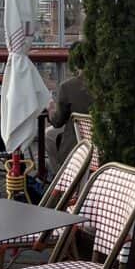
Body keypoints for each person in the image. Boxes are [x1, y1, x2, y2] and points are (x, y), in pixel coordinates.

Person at [46, 42, 93, 172]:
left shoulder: (68, 87)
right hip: (102, 145)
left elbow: (57, 122)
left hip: (77, 147)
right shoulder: (107, 84)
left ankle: (60, 177)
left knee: (48, 135)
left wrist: (51, 109)